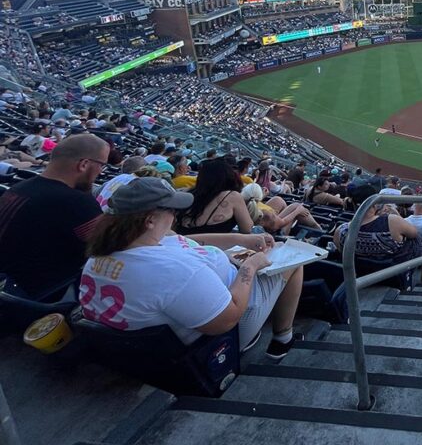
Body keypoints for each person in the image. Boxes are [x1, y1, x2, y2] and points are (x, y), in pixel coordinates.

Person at [80, 177, 303, 359]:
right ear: (149, 220)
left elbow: (183, 239)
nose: (175, 215)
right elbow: (228, 319)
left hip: (202, 299)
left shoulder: (116, 246)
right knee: (296, 260)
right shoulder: (172, 271)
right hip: (229, 329)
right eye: (171, 210)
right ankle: (283, 340)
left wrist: (241, 240)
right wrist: (250, 267)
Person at [0, 134, 110, 298]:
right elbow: (109, 246)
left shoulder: (19, 187)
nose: (100, 172)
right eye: (101, 165)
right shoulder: (76, 202)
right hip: (34, 299)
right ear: (84, 164)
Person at [177, 158, 253, 235]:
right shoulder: (232, 196)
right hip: (207, 245)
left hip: (179, 240)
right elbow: (247, 229)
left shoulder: (188, 192)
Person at [241, 184, 321, 234]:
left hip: (269, 222)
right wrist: (297, 211)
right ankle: (319, 230)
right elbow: (281, 222)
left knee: (277, 199)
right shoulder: (265, 214)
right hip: (276, 230)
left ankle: (294, 224)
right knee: (296, 206)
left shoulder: (244, 206)